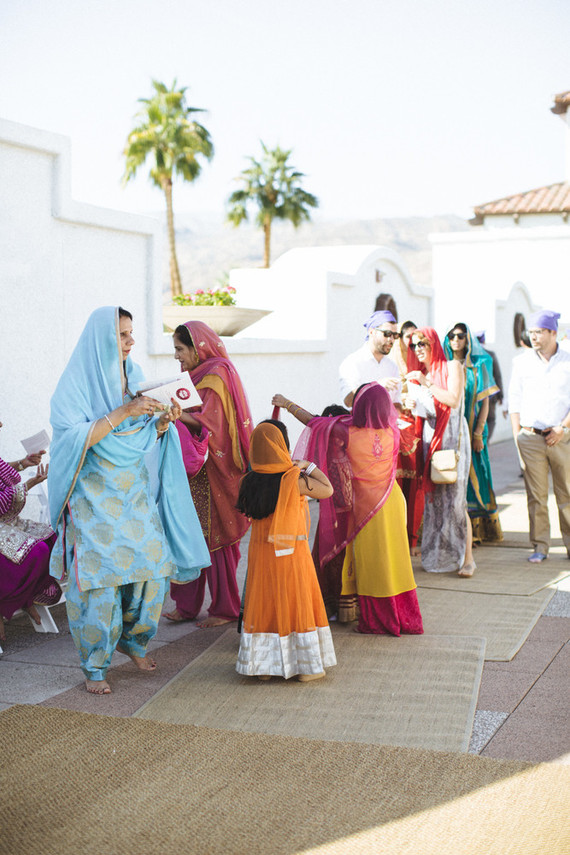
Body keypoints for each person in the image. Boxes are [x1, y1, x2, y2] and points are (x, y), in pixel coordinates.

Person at [48, 306, 209, 695]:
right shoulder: (74, 386)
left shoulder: (133, 376)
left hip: (132, 495)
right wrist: (125, 410)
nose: (131, 341)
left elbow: (139, 439)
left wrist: (162, 423)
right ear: (103, 339)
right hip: (92, 500)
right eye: (122, 335)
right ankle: (95, 664)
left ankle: (133, 640)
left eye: (131, 333)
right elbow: (70, 441)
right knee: (100, 584)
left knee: (154, 570)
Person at [292, 383, 424, 635]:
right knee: (395, 561)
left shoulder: (346, 431)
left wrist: (287, 405)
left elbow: (314, 422)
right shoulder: (392, 430)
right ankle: (404, 616)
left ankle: (379, 620)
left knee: (374, 563)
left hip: (367, 507)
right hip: (392, 501)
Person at [165, 321, 253, 627]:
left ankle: (224, 608)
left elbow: (212, 424)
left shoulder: (217, 374)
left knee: (218, 538)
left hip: (218, 468)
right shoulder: (193, 376)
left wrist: (177, 414)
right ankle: (186, 606)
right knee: (188, 532)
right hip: (193, 469)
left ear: (197, 346)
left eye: (180, 349)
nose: (177, 356)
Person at [236, 420, 336, 681]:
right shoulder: (293, 479)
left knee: (267, 601)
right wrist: (307, 465)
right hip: (292, 552)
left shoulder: (248, 482)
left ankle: (265, 669)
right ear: (282, 446)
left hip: (261, 553)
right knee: (296, 599)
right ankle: (306, 668)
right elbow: (327, 489)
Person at [405, 327, 475, 576]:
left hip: (453, 440)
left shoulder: (452, 366)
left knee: (456, 501)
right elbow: (427, 411)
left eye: (423, 343)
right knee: (434, 502)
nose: (418, 349)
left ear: (434, 343)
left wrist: (426, 383)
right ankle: (439, 556)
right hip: (431, 439)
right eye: (414, 345)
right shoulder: (421, 373)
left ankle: (468, 559)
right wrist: (413, 404)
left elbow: (453, 400)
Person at [508, 309, 570, 563]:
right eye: (531, 332)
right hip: (530, 438)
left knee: (566, 493)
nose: (533, 336)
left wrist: (563, 428)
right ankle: (540, 546)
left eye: (538, 332)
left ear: (553, 332)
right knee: (536, 496)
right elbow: (515, 401)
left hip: (562, 436)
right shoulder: (521, 362)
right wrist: (517, 436)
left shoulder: (568, 360)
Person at [0, 429, 61, 643]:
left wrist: (23, 463)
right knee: (37, 550)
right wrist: (29, 484)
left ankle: (25, 599)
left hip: (5, 523)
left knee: (52, 540)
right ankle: (6, 604)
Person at [444, 323, 503, 543]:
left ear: (468, 339)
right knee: (453, 475)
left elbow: (485, 402)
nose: (456, 340)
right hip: (450, 432)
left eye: (461, 336)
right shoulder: (444, 365)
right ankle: (458, 531)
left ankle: (479, 530)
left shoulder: (480, 363)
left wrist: (478, 432)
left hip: (474, 428)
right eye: (452, 336)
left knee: (478, 472)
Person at [392, 320, 424, 554]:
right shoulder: (389, 363)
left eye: (416, 339)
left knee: (415, 484)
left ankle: (412, 539)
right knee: (394, 483)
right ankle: (393, 535)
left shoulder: (423, 363)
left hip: (417, 428)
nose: (412, 343)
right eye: (407, 338)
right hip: (392, 429)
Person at [338, 310, 401, 408]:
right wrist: (375, 386)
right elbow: (348, 401)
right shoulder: (352, 362)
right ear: (372, 331)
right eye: (387, 334)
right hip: (359, 423)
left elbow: (396, 403)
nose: (391, 340)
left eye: (395, 335)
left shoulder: (392, 366)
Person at [475, 330, 504, 441]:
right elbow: (498, 375)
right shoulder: (490, 354)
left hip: (476, 393)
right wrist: (501, 395)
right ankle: (485, 442)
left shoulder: (471, 354)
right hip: (490, 393)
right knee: (490, 419)